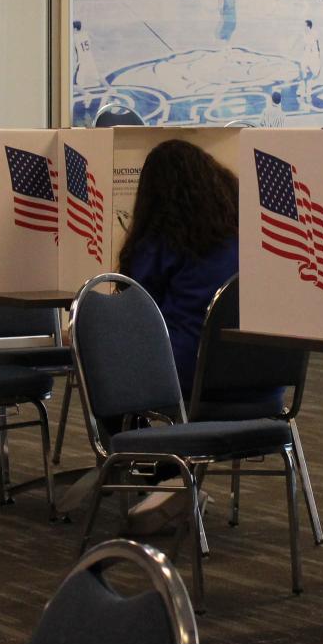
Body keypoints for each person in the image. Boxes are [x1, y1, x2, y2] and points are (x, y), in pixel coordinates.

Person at [115, 139, 273, 531]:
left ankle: (153, 472)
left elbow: (132, 305)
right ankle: (168, 475)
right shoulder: (255, 240)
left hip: (188, 378)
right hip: (267, 384)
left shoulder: (162, 243)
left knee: (103, 367)